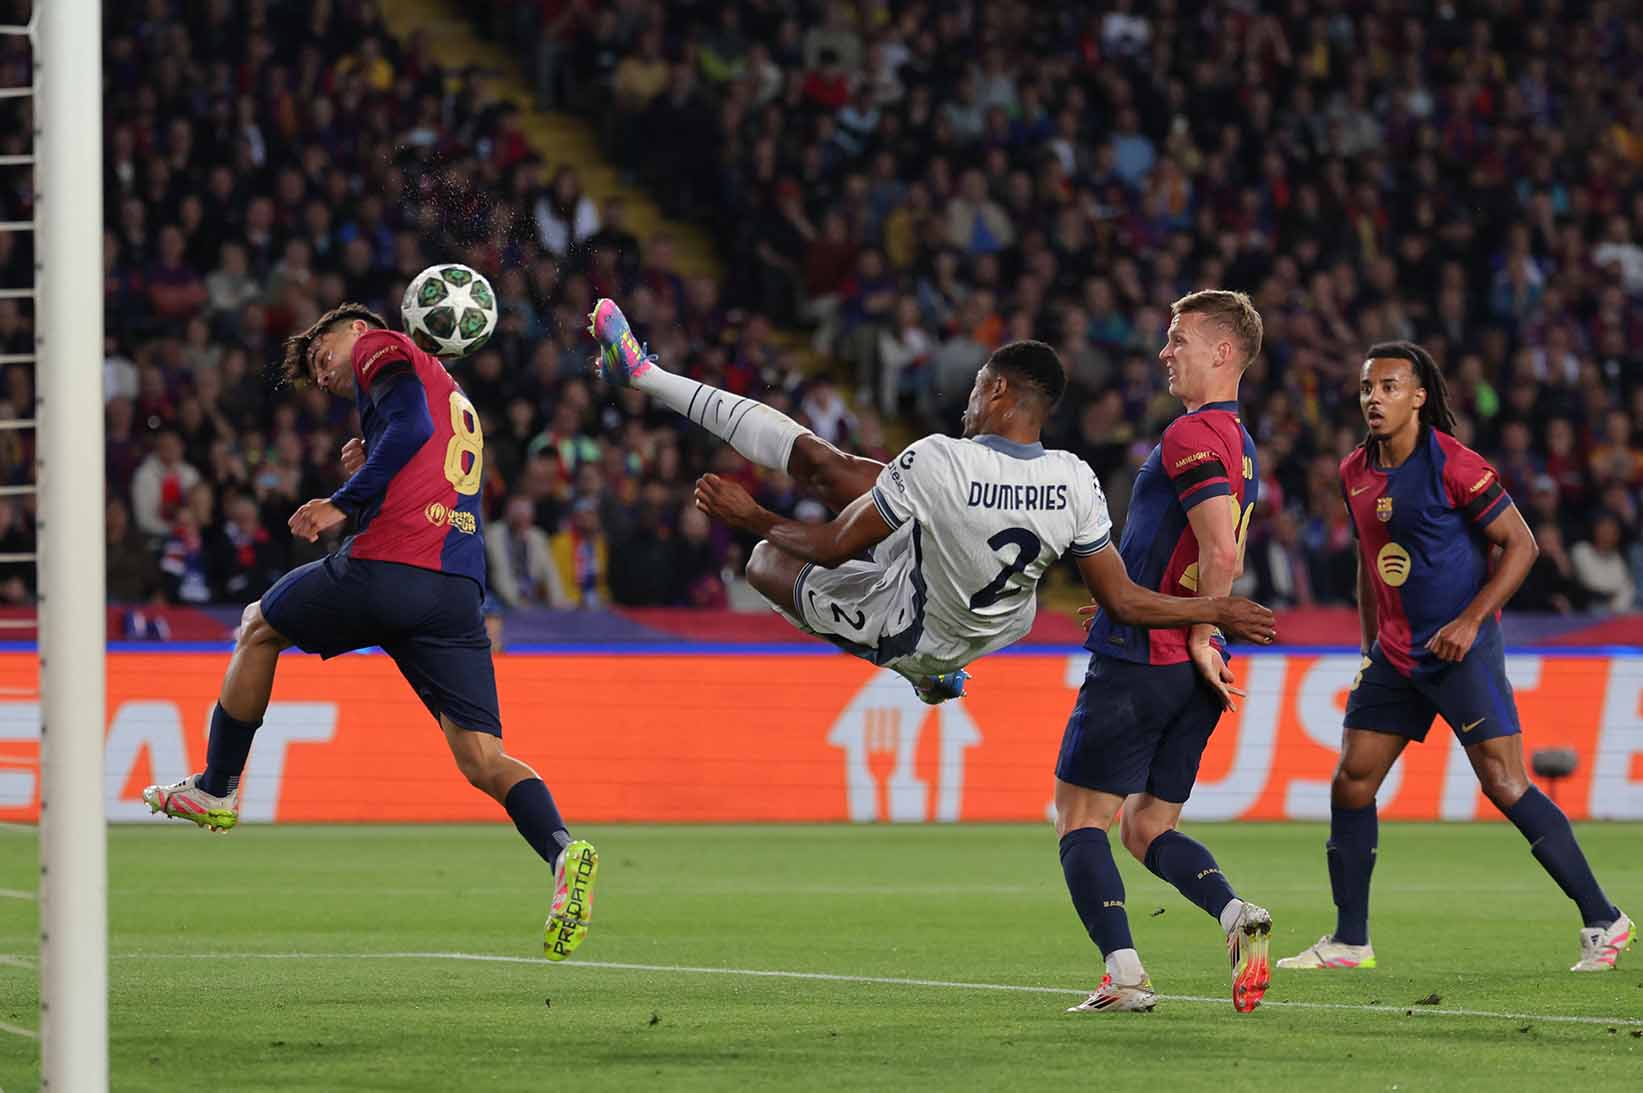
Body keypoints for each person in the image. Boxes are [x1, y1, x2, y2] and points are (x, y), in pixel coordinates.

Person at [141, 303, 599, 962]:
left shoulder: (379, 343)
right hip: (455, 591)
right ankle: (562, 852)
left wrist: (344, 500)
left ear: (354, 329)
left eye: (321, 354)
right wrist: (373, 463)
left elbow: (410, 426)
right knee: (482, 757)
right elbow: (423, 449)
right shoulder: (448, 390)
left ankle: (216, 786)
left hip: (392, 567)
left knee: (258, 625)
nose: (325, 373)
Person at [587, 298, 1274, 707]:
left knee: (767, 558)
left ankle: (926, 673)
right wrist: (1213, 611)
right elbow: (1122, 599)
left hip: (915, 631)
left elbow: (830, 547)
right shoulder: (1074, 477)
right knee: (830, 466)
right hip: (994, 617)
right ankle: (643, 373)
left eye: (976, 387)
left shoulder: (938, 458)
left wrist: (752, 517)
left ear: (998, 391)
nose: (967, 400)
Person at [1277, 341, 1631, 974]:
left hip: (1459, 650)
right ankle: (1351, 940)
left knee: (1504, 782)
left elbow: (1521, 546)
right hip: (1395, 655)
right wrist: (1369, 644)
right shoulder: (1354, 470)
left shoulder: (1455, 464)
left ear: (1418, 397)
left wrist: (1470, 622)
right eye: (1367, 388)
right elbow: (1368, 559)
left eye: (1389, 387)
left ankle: (1605, 919)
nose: (1374, 398)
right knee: (1352, 780)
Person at [1056, 290, 1275, 1016]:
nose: (1165, 352)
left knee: (1080, 819)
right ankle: (1234, 912)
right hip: (1186, 667)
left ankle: (1123, 974)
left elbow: (1220, 552)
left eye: (1179, 339)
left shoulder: (1190, 434)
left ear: (1223, 352)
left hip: (1147, 658)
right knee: (1147, 826)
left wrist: (1199, 631)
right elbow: (1197, 550)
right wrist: (1145, 601)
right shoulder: (1240, 442)